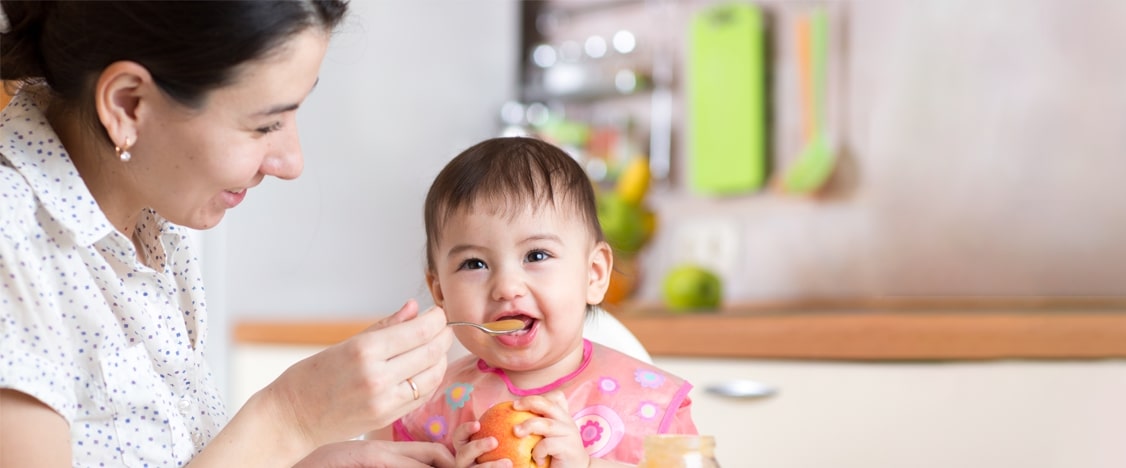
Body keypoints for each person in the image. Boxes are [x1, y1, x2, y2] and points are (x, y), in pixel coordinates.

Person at [0, 2, 458, 467]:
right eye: (264, 124)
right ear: (128, 104)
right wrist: (290, 418)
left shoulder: (152, 225)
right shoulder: (11, 245)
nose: (291, 163)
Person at [377, 137, 698, 467]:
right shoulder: (427, 406)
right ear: (440, 291)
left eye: (536, 255)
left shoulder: (646, 404)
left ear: (594, 275)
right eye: (474, 264)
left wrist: (588, 465)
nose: (507, 287)